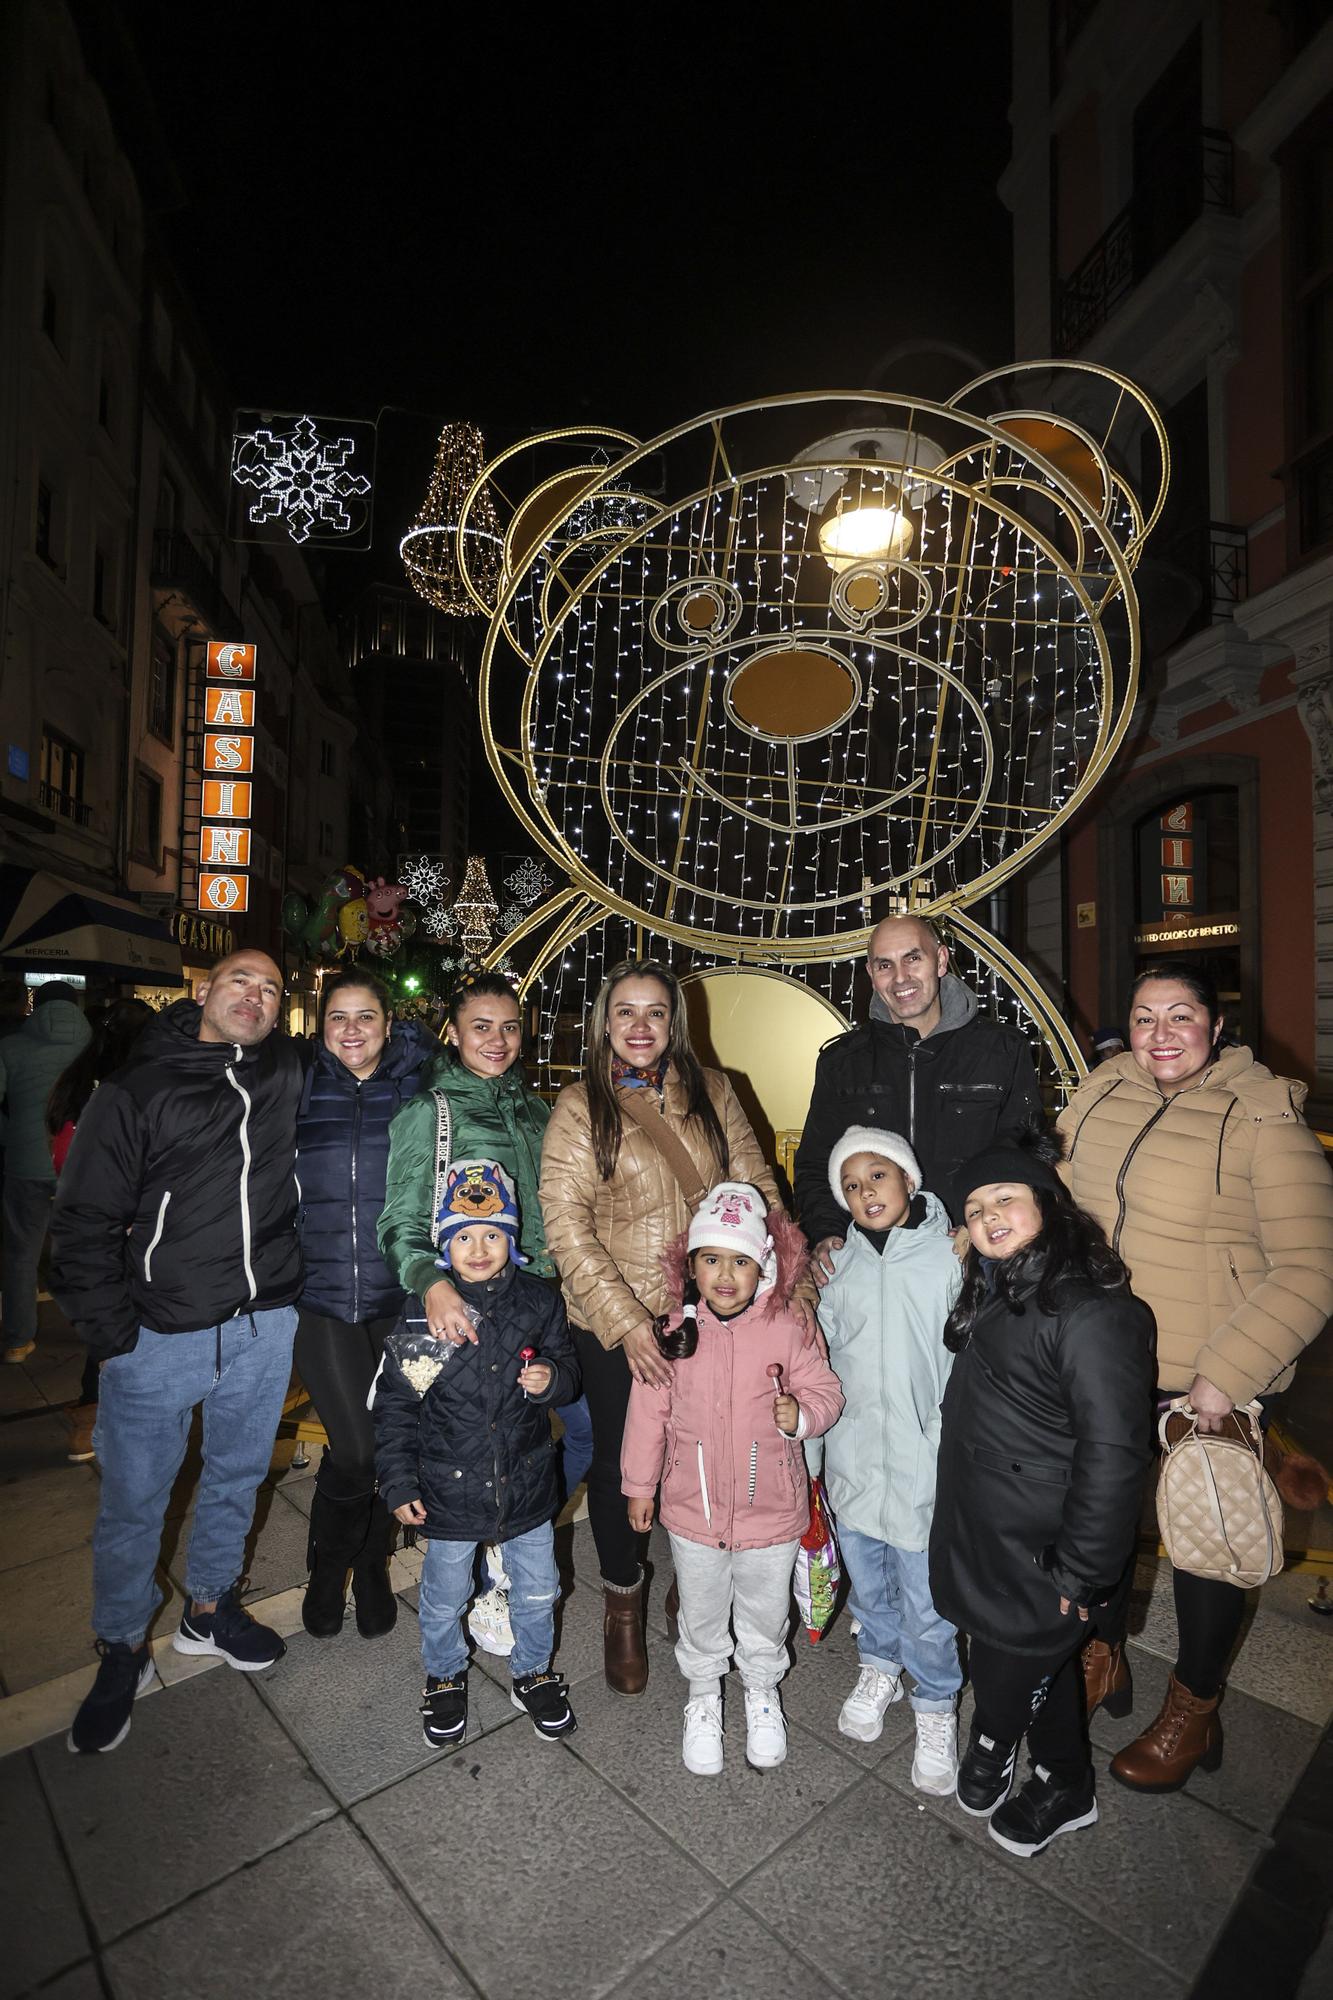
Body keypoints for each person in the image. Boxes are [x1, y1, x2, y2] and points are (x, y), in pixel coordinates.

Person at [1056, 961, 1333, 1788]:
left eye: (1180, 1016)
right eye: (1143, 1018)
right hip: (1106, 1360)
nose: (1160, 1033)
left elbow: (1311, 1269)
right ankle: (1102, 1657)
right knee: (1097, 1526)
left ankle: (1193, 1710)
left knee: (1208, 1545)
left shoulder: (1261, 1117)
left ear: (1216, 1027)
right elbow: (1061, 1201)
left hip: (1209, 1375)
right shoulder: (1104, 1092)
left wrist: (1224, 1375)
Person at [50, 951, 304, 1755]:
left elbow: (378, 1048)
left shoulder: (286, 1073)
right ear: (203, 991)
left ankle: (208, 1609)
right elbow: (82, 1223)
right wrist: (114, 1338)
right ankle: (121, 1647)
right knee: (135, 1502)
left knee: (235, 1476)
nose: (253, 996)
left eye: (269, 989)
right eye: (239, 980)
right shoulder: (138, 1089)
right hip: (159, 1336)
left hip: (264, 1327)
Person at [540, 957, 810, 1695]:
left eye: (654, 1012)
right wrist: (626, 1323)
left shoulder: (715, 1090)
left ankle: (693, 1578)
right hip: (616, 1315)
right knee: (619, 1463)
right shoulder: (577, 1106)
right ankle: (621, 1602)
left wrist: (790, 1283)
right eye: (624, 1011)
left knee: (708, 1450)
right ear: (603, 1021)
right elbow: (565, 1226)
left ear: (674, 1023)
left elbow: (757, 1186)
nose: (638, 1026)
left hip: (714, 1307)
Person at [929, 1141, 1156, 1857]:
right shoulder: (998, 1289)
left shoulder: (1092, 1313)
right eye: (973, 1209)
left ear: (1047, 1205)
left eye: (1005, 1199)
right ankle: (1064, 1782)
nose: (988, 1216)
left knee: (1007, 1670)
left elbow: (1114, 1454)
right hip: (985, 1530)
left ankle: (994, 1740)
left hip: (1043, 1549)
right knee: (1025, 1660)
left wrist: (1084, 1568)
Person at [378, 970, 593, 1650]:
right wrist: (430, 1284)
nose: (496, 1040)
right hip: (460, 1311)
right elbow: (399, 1221)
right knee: (463, 1431)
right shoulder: (430, 1112)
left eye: (507, 1026)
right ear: (452, 1031)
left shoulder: (540, 1110)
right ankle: (491, 1555)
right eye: (480, 1026)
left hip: (538, 1308)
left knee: (585, 1432)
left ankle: (509, 1532)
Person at [621, 1181, 843, 1773]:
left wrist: (803, 1415)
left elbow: (825, 1390)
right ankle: (702, 1694)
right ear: (691, 1266)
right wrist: (640, 1484)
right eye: (711, 1259)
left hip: (770, 1509)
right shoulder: (672, 1331)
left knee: (765, 1613)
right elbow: (648, 1412)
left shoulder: (788, 1325)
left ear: (763, 1266)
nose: (724, 1275)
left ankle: (761, 1690)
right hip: (693, 1510)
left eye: (740, 1261)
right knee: (700, 1609)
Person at [373, 1158, 580, 1748]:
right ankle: (443, 1676)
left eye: (494, 1234)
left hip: (527, 1481)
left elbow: (567, 1368)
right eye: (464, 1235)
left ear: (512, 1239)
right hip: (448, 1486)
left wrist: (552, 1378)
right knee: (443, 1594)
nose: (480, 1247)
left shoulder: (538, 1301)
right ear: (444, 1244)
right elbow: (396, 1407)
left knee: (539, 1587)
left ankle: (532, 1671)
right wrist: (399, 1482)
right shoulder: (424, 1312)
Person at [807, 1127, 963, 1794]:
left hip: (923, 1464)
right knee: (869, 1586)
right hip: (852, 1464)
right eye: (850, 1184)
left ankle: (935, 1704)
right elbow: (820, 1356)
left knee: (928, 1602)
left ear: (908, 1180)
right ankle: (878, 1667)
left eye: (877, 1176)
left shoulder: (951, 1258)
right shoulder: (836, 1265)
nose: (864, 1192)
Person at [294, 970, 435, 1640]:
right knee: (352, 1447)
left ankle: (373, 1565)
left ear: (389, 1022)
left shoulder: (421, 1087)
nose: (352, 1031)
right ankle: (331, 1567)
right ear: (321, 1028)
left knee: (390, 1441)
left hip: (399, 1295)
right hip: (318, 1294)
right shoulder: (294, 1083)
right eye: (338, 1019)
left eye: (366, 1017)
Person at [793, 914, 1041, 1278]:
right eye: (884, 965)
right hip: (870, 1267)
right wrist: (827, 1232)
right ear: (871, 974)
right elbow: (815, 1164)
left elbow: (1025, 1157)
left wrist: (983, 1227)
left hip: (971, 1262)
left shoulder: (1001, 1051)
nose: (900, 978)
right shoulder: (841, 1062)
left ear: (940, 960)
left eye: (913, 958)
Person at [45, 998, 154, 1459]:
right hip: (118, 1225)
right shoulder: (130, 1090)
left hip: (81, 1218)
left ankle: (93, 1414)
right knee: (120, 1325)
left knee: (105, 1321)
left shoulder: (77, 1082)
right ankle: (101, 1419)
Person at [0, 981, 90, 1363]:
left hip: (25, 1164)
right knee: (87, 1248)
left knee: (21, 1253)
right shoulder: (91, 1047)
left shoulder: (11, 1046)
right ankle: (90, 1329)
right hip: (82, 1164)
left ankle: (18, 1340)